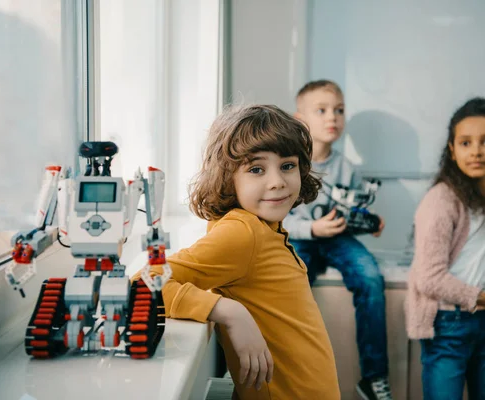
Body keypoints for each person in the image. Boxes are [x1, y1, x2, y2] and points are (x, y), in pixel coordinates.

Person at [140, 104, 341, 399]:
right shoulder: (243, 233)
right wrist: (230, 312)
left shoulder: (264, 227)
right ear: (227, 177)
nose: (277, 181)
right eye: (256, 169)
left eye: (288, 165)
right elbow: (145, 282)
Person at [406, 97, 485, 400]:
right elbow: (429, 278)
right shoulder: (441, 200)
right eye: (465, 143)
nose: (476, 151)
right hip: (449, 323)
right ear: (452, 150)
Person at [283, 80, 391, 400]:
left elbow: (353, 208)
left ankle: (374, 377)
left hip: (339, 240)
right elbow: (278, 218)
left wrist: (368, 222)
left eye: (339, 111)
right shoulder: (290, 163)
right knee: (290, 285)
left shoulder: (346, 167)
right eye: (322, 110)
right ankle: (289, 370)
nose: (333, 117)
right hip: (302, 239)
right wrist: (311, 230)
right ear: (300, 119)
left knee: (371, 277)